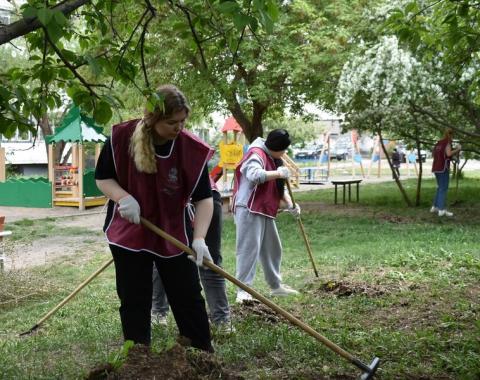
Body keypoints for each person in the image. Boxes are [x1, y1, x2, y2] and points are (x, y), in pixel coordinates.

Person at [95, 84, 214, 352]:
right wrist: (123, 198)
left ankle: (201, 354)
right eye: (172, 122)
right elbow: (103, 178)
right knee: (133, 297)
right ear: (152, 119)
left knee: (188, 296)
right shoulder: (121, 138)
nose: (179, 128)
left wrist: (200, 239)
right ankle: (137, 356)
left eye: (183, 121)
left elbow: (204, 198)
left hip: (174, 232)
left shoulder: (190, 150)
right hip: (129, 230)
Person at [151, 175, 232, 331]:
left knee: (208, 260)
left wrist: (199, 238)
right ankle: (158, 314)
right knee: (162, 256)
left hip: (202, 199)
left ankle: (221, 320)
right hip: (174, 200)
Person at [232, 129, 300, 303]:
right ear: (276, 147)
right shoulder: (256, 153)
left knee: (272, 247)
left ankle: (275, 286)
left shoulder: (273, 157)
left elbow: (277, 189)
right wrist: (278, 173)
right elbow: (254, 175)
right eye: (284, 149)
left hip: (263, 208)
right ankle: (243, 291)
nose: (285, 153)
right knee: (249, 250)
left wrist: (292, 205)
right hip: (248, 208)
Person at [431, 128, 462, 217]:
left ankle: (435, 207)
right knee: (443, 188)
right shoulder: (447, 143)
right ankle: (441, 210)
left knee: (439, 187)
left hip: (436, 167)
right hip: (443, 168)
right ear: (451, 135)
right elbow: (448, 154)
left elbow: (436, 155)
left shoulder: (439, 143)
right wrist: (458, 149)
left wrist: (452, 158)